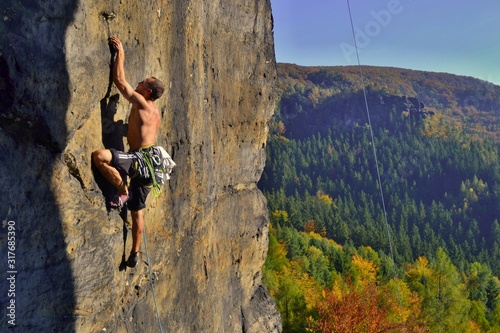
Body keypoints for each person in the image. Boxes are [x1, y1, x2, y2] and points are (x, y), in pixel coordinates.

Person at [93, 36, 165, 268]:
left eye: (143, 82)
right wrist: (121, 127)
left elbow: (120, 81)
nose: (139, 82)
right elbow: (138, 133)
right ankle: (134, 253)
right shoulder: (154, 112)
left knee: (99, 157)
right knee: (137, 211)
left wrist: (120, 52)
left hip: (140, 159)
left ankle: (122, 190)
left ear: (147, 92)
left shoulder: (142, 103)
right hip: (152, 163)